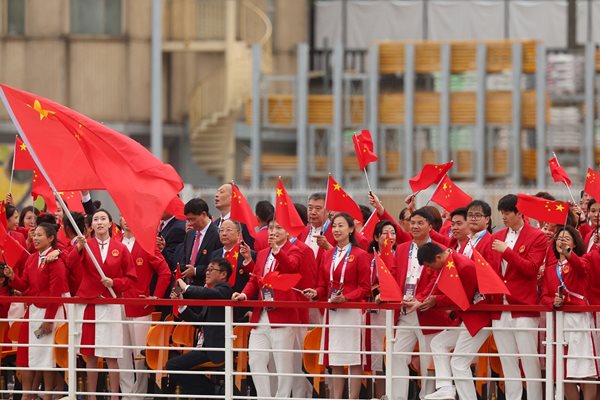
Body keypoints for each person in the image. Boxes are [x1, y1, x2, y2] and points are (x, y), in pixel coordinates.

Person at [67, 209, 136, 400]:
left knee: (111, 354)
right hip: (90, 303)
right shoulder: (86, 246)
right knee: (90, 354)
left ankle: (115, 396)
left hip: (111, 302)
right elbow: (70, 264)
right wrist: (78, 248)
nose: (99, 222)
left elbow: (131, 277)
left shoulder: (120, 248)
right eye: (95, 219)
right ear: (91, 226)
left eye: (103, 219)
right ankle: (92, 396)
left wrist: (115, 283)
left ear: (110, 224)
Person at [232, 220, 302, 399]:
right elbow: (254, 280)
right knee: (255, 360)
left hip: (283, 317)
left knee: (283, 365)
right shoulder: (262, 254)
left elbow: (291, 267)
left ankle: (282, 397)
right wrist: (244, 295)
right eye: (271, 228)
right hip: (261, 315)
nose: (274, 231)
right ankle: (264, 397)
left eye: (279, 227)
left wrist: (278, 250)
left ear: (288, 232)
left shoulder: (294, 250)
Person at [304, 212, 370, 399]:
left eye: (341, 225)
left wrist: (347, 298)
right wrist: (316, 292)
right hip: (332, 312)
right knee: (335, 357)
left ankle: (353, 397)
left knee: (354, 357)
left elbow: (365, 288)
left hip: (352, 312)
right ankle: (336, 397)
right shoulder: (327, 255)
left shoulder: (360, 254)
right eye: (334, 226)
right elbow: (323, 284)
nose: (337, 229)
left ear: (351, 229)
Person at [489, 194, 547, 400]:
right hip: (499, 308)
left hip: (523, 306)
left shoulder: (537, 236)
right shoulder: (497, 236)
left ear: (520, 212)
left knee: (529, 361)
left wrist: (507, 252)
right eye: (502, 213)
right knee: (507, 361)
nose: (503, 217)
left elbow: (531, 269)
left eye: (507, 213)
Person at [416, 242, 491, 400]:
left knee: (459, 362)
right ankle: (445, 388)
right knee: (438, 343)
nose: (430, 270)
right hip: (465, 318)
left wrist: (436, 300)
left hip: (478, 318)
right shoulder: (447, 263)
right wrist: (420, 300)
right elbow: (437, 290)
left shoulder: (464, 266)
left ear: (438, 257)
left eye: (430, 265)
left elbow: (464, 297)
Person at [4, 223, 69, 400]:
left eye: (40, 235)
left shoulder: (56, 261)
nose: (35, 238)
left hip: (49, 312)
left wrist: (48, 320)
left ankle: (47, 394)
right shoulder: (32, 258)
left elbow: (56, 294)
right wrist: (12, 277)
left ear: (50, 238)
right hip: (32, 312)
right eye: (34, 234)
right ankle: (28, 394)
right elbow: (24, 285)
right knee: (28, 355)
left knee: (47, 356)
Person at [390, 208, 449, 400]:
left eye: (420, 223)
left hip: (428, 310)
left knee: (427, 359)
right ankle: (397, 396)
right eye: (412, 222)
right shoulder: (401, 248)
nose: (414, 226)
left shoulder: (441, 248)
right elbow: (394, 274)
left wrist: (422, 299)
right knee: (397, 354)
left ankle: (427, 396)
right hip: (405, 311)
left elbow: (440, 280)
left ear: (430, 226)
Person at [541, 226, 597, 400]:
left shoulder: (581, 260)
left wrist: (568, 253)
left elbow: (581, 268)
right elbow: (544, 296)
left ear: (575, 243)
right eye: (559, 238)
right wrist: (553, 302)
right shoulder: (550, 268)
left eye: (566, 238)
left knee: (586, 370)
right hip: (559, 322)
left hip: (579, 320)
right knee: (563, 372)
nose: (561, 241)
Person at [118, 216, 171, 400]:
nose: (126, 220)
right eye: (123, 216)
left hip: (140, 306)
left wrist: (155, 297)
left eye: (129, 216)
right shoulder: (115, 243)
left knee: (139, 354)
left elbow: (165, 272)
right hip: (116, 305)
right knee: (120, 352)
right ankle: (126, 394)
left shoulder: (146, 244)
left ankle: (139, 394)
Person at [166, 258, 234, 394]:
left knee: (172, 365)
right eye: (207, 270)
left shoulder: (225, 289)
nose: (207, 273)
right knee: (173, 362)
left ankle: (214, 391)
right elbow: (199, 321)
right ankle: (212, 391)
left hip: (213, 348)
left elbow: (209, 293)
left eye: (211, 270)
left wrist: (186, 288)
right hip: (202, 347)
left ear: (223, 274)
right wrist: (181, 303)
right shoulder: (212, 293)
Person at [366, 220, 398, 398]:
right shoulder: (369, 257)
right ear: (377, 237)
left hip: (393, 311)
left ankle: (393, 394)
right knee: (376, 352)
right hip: (373, 311)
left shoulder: (400, 255)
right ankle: (379, 395)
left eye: (393, 233)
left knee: (392, 352)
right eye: (385, 233)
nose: (390, 237)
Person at [179, 198, 222, 285]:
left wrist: (195, 271)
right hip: (186, 288)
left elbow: (219, 265)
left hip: (205, 288)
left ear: (203, 214)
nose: (190, 223)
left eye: (193, 219)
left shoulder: (217, 235)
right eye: (188, 220)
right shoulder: (190, 234)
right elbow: (185, 259)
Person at [213, 183, 254, 247]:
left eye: (221, 192)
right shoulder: (214, 224)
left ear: (233, 197)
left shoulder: (243, 224)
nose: (216, 195)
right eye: (217, 192)